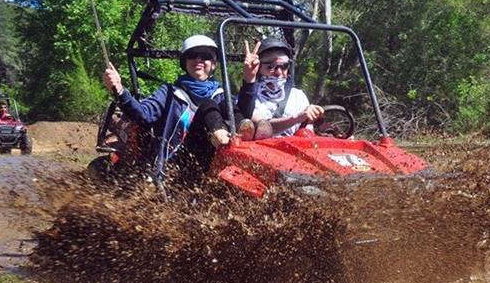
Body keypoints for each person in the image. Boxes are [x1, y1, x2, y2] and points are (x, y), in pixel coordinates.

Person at [102, 34, 259, 182]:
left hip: (213, 160)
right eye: (192, 55)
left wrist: (249, 79)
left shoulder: (220, 94)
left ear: (213, 64)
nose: (199, 59)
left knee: (228, 105)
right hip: (178, 163)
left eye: (205, 56)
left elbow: (243, 113)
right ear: (185, 62)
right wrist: (120, 91)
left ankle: (245, 142)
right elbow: (143, 114)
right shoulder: (170, 93)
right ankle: (224, 142)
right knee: (208, 105)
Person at [241, 37, 324, 140]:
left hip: (294, 150)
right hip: (261, 151)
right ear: (258, 68)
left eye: (284, 66)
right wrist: (296, 118)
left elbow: (308, 135)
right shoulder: (249, 98)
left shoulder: (298, 96)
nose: (279, 72)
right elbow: (263, 126)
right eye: (271, 67)